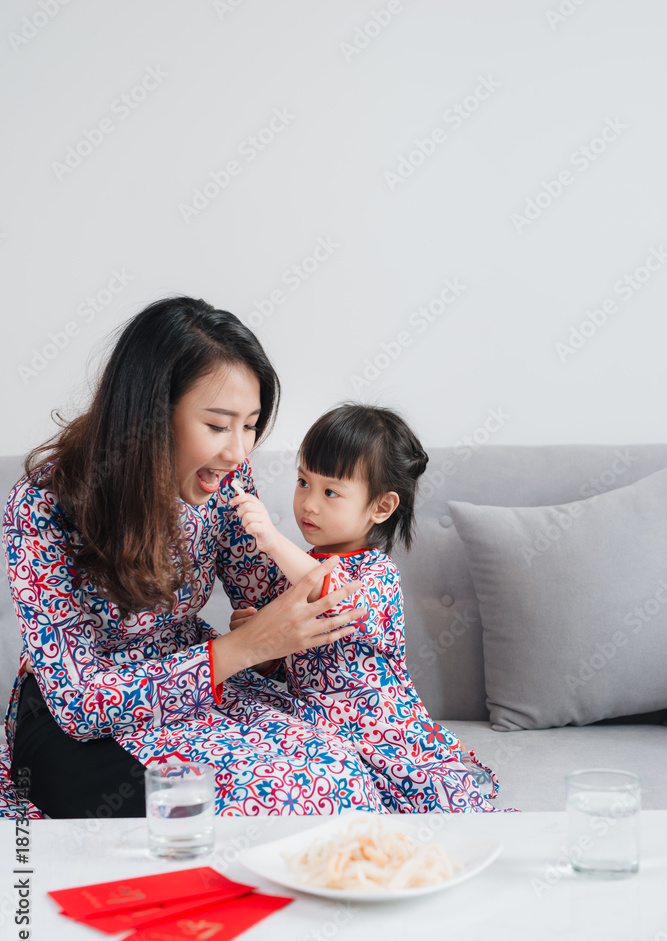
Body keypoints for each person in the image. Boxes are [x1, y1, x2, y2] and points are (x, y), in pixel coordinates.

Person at [4, 296, 389, 818]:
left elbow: (275, 606)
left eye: (250, 425)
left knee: (340, 778)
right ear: (150, 414)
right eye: (217, 425)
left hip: (200, 685)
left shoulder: (226, 477)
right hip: (76, 721)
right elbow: (77, 702)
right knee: (251, 805)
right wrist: (244, 647)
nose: (238, 451)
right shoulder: (44, 504)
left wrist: (280, 631)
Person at [229, 404, 499, 812]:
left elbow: (337, 597)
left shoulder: (375, 573)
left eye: (330, 492)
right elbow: (292, 656)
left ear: (381, 507)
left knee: (408, 793)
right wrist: (258, 638)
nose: (308, 504)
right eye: (303, 482)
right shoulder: (303, 564)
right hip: (315, 718)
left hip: (376, 724)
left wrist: (271, 539)